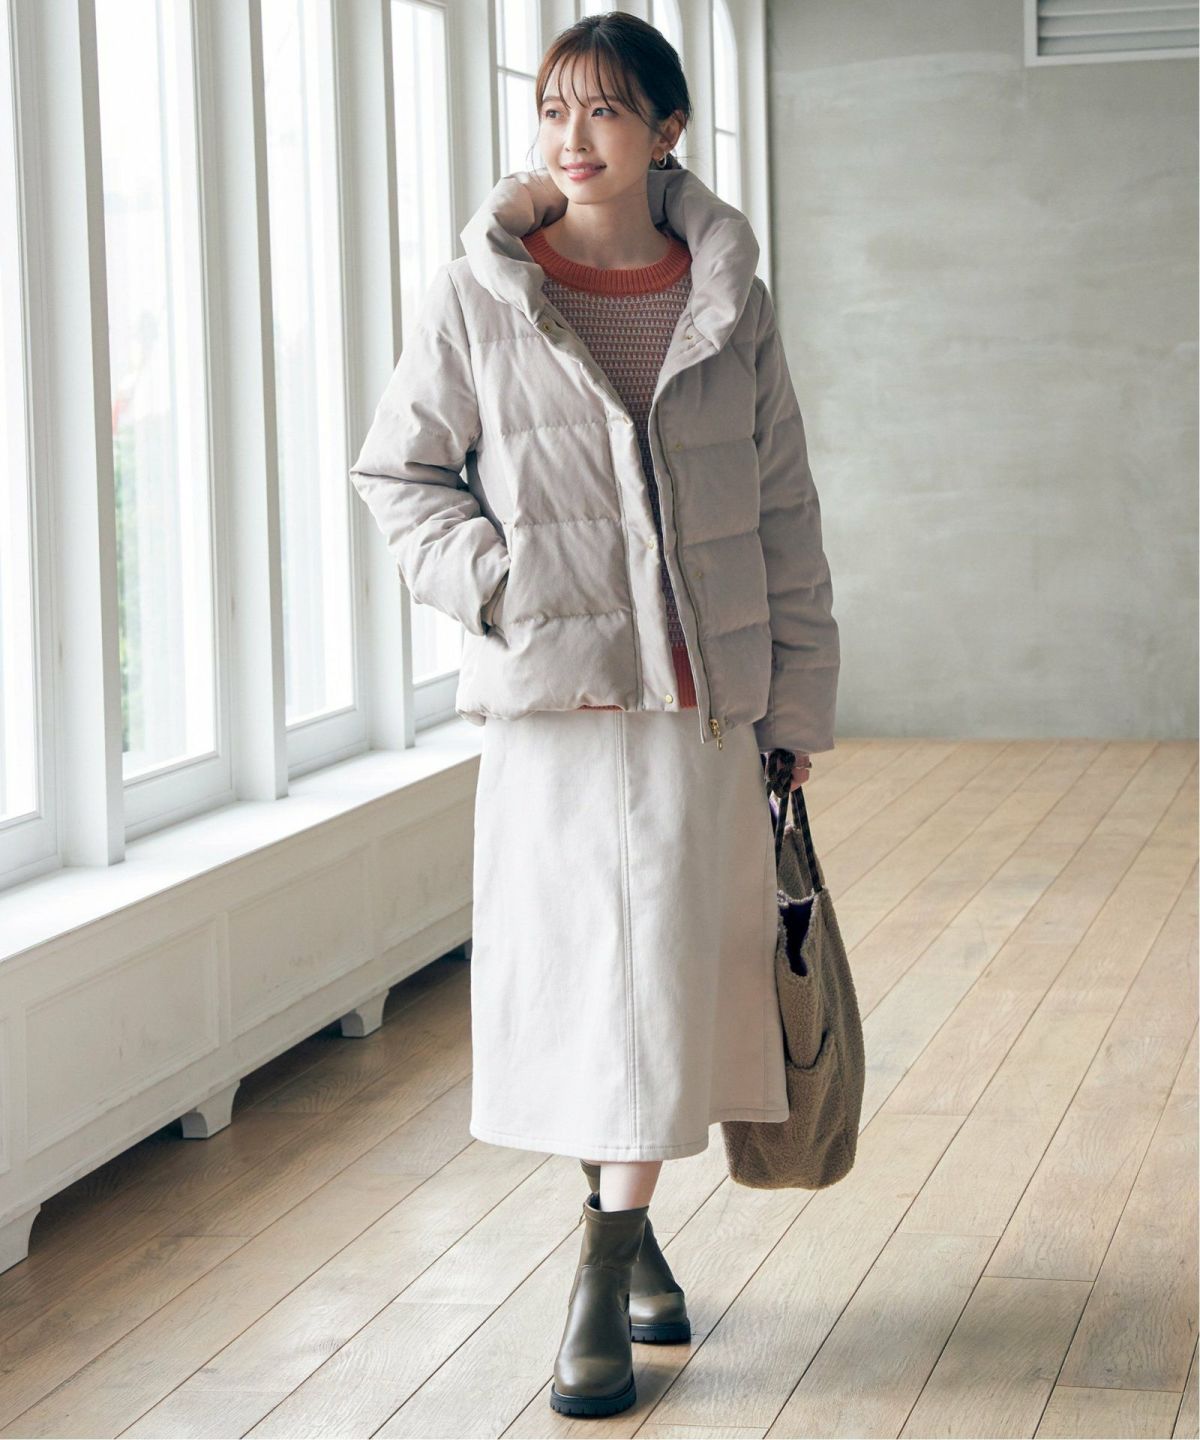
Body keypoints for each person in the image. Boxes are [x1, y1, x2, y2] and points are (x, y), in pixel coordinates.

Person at [348, 10, 839, 1420]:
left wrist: (796, 701)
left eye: (608, 110)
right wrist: (503, 586)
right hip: (553, 705)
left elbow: (785, 508)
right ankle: (627, 1249)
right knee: (585, 985)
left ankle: (600, 1270)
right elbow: (399, 478)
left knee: (662, 984)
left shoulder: (730, 296)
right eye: (554, 107)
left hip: (700, 708)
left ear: (668, 129)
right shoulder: (479, 294)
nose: (572, 136)